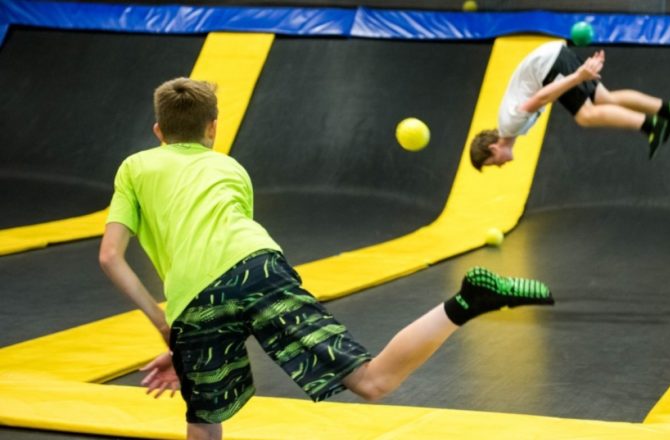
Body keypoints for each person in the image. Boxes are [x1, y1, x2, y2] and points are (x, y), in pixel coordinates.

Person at [99, 77, 555, 440]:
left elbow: (110, 257)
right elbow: (234, 275)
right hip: (257, 263)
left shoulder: (135, 167)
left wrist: (170, 330)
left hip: (192, 302)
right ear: (213, 127)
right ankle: (467, 302)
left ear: (158, 131)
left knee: (204, 419)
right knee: (372, 382)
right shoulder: (229, 167)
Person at [470, 41, 670, 170]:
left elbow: (542, 97)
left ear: (493, 148)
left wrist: (578, 76)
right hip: (551, 58)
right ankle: (666, 110)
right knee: (605, 99)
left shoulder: (510, 125)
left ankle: (652, 126)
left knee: (585, 116)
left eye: (493, 162)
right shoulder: (511, 127)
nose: (499, 165)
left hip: (548, 65)